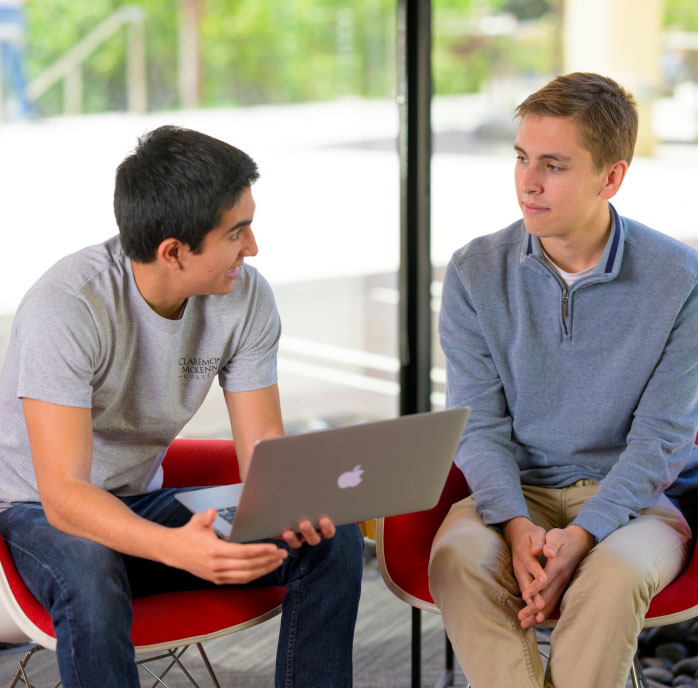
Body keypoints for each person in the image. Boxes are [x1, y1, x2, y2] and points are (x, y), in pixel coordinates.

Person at [0, 125, 364, 687]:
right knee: (91, 569)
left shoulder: (244, 296)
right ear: (174, 251)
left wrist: (302, 500)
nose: (253, 248)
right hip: (30, 515)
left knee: (329, 535)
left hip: (141, 502)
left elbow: (262, 447)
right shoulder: (68, 308)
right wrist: (176, 549)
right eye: (236, 232)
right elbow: (64, 497)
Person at [428, 72, 698, 688]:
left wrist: (584, 534)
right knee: (454, 560)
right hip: (513, 494)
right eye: (522, 158)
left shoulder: (681, 281)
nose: (528, 182)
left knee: (613, 576)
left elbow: (662, 438)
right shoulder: (475, 271)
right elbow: (478, 420)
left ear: (611, 177)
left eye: (553, 164)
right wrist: (515, 523)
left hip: (634, 505)